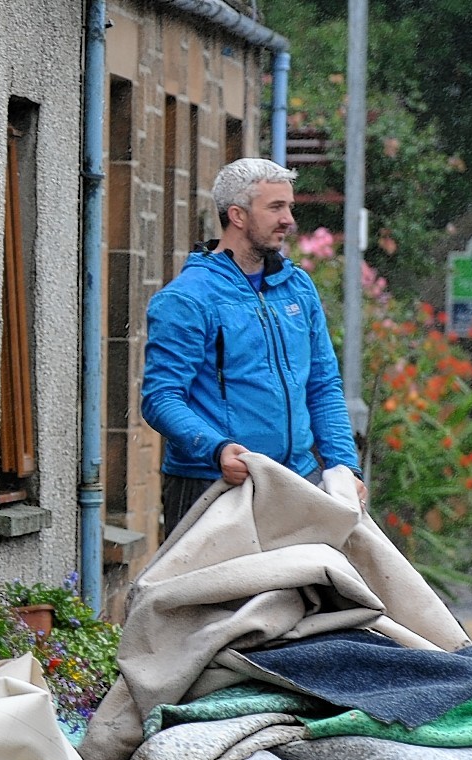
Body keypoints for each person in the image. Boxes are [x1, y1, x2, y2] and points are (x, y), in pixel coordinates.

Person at [141, 157, 367, 532]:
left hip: (298, 481)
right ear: (238, 215)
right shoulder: (187, 298)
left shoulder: (297, 287)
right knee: (218, 594)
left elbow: (323, 386)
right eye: (276, 207)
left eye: (289, 207)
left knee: (310, 592)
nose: (288, 219)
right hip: (212, 484)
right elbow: (160, 398)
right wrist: (215, 449)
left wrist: (344, 465)